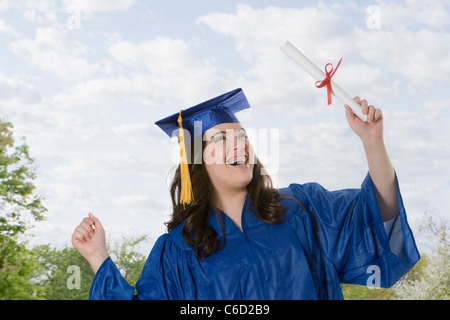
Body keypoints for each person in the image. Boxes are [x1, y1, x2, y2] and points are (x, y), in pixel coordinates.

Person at [72, 88, 420, 300]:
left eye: (241, 135)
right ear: (197, 162)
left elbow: (378, 215)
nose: (238, 143)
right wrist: (97, 255)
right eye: (220, 139)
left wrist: (372, 141)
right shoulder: (178, 250)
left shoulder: (300, 209)